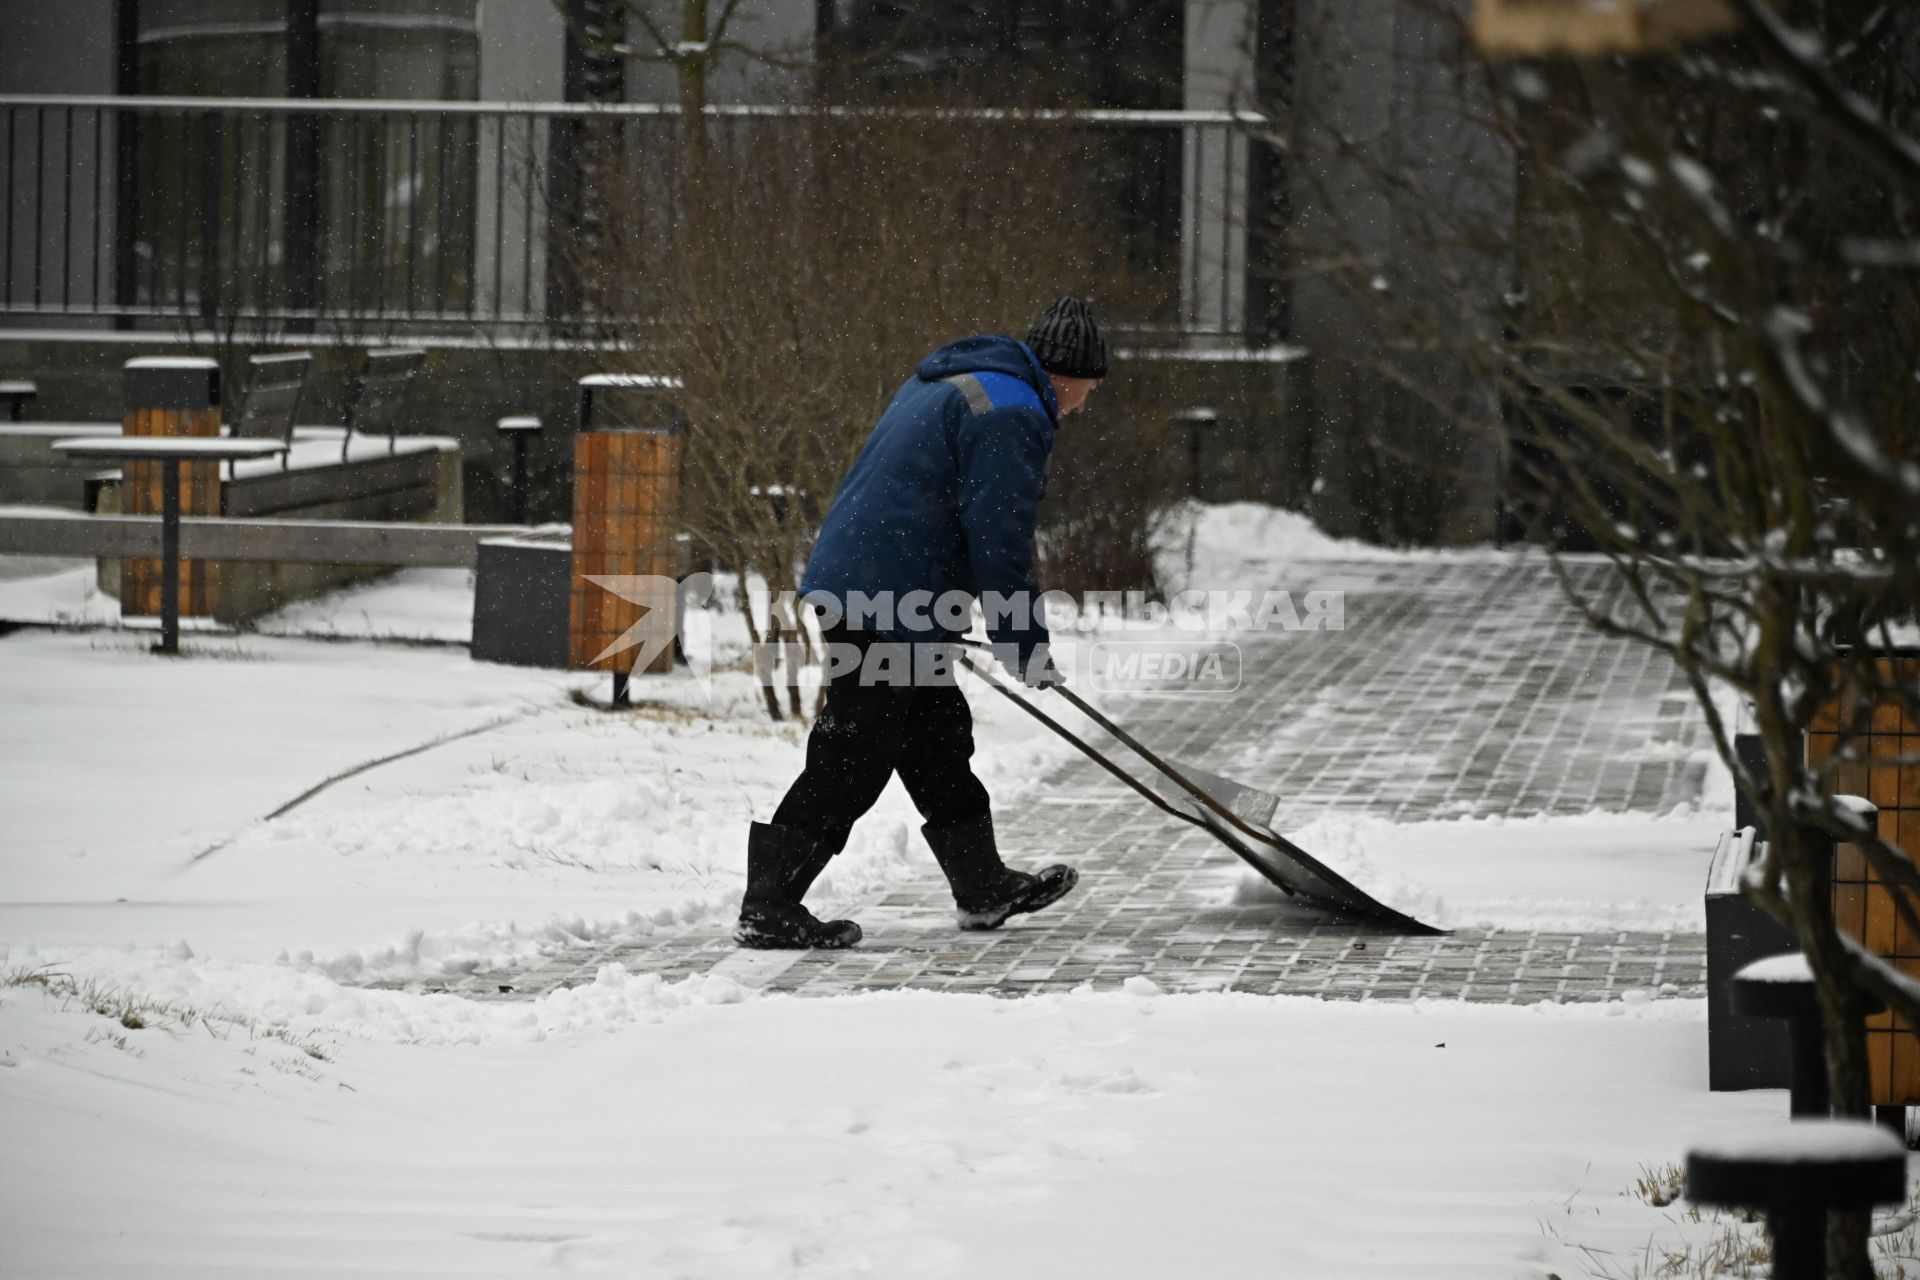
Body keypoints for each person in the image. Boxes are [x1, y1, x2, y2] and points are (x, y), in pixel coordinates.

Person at [736, 296, 1109, 950]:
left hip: (881, 581)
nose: (1083, 408)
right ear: (1065, 378)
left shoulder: (964, 382)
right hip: (883, 593)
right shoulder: (1013, 411)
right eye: (1087, 393)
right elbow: (999, 537)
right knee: (856, 747)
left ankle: (983, 886)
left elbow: (931, 501)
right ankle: (769, 903)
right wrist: (1023, 642)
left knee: (935, 735)